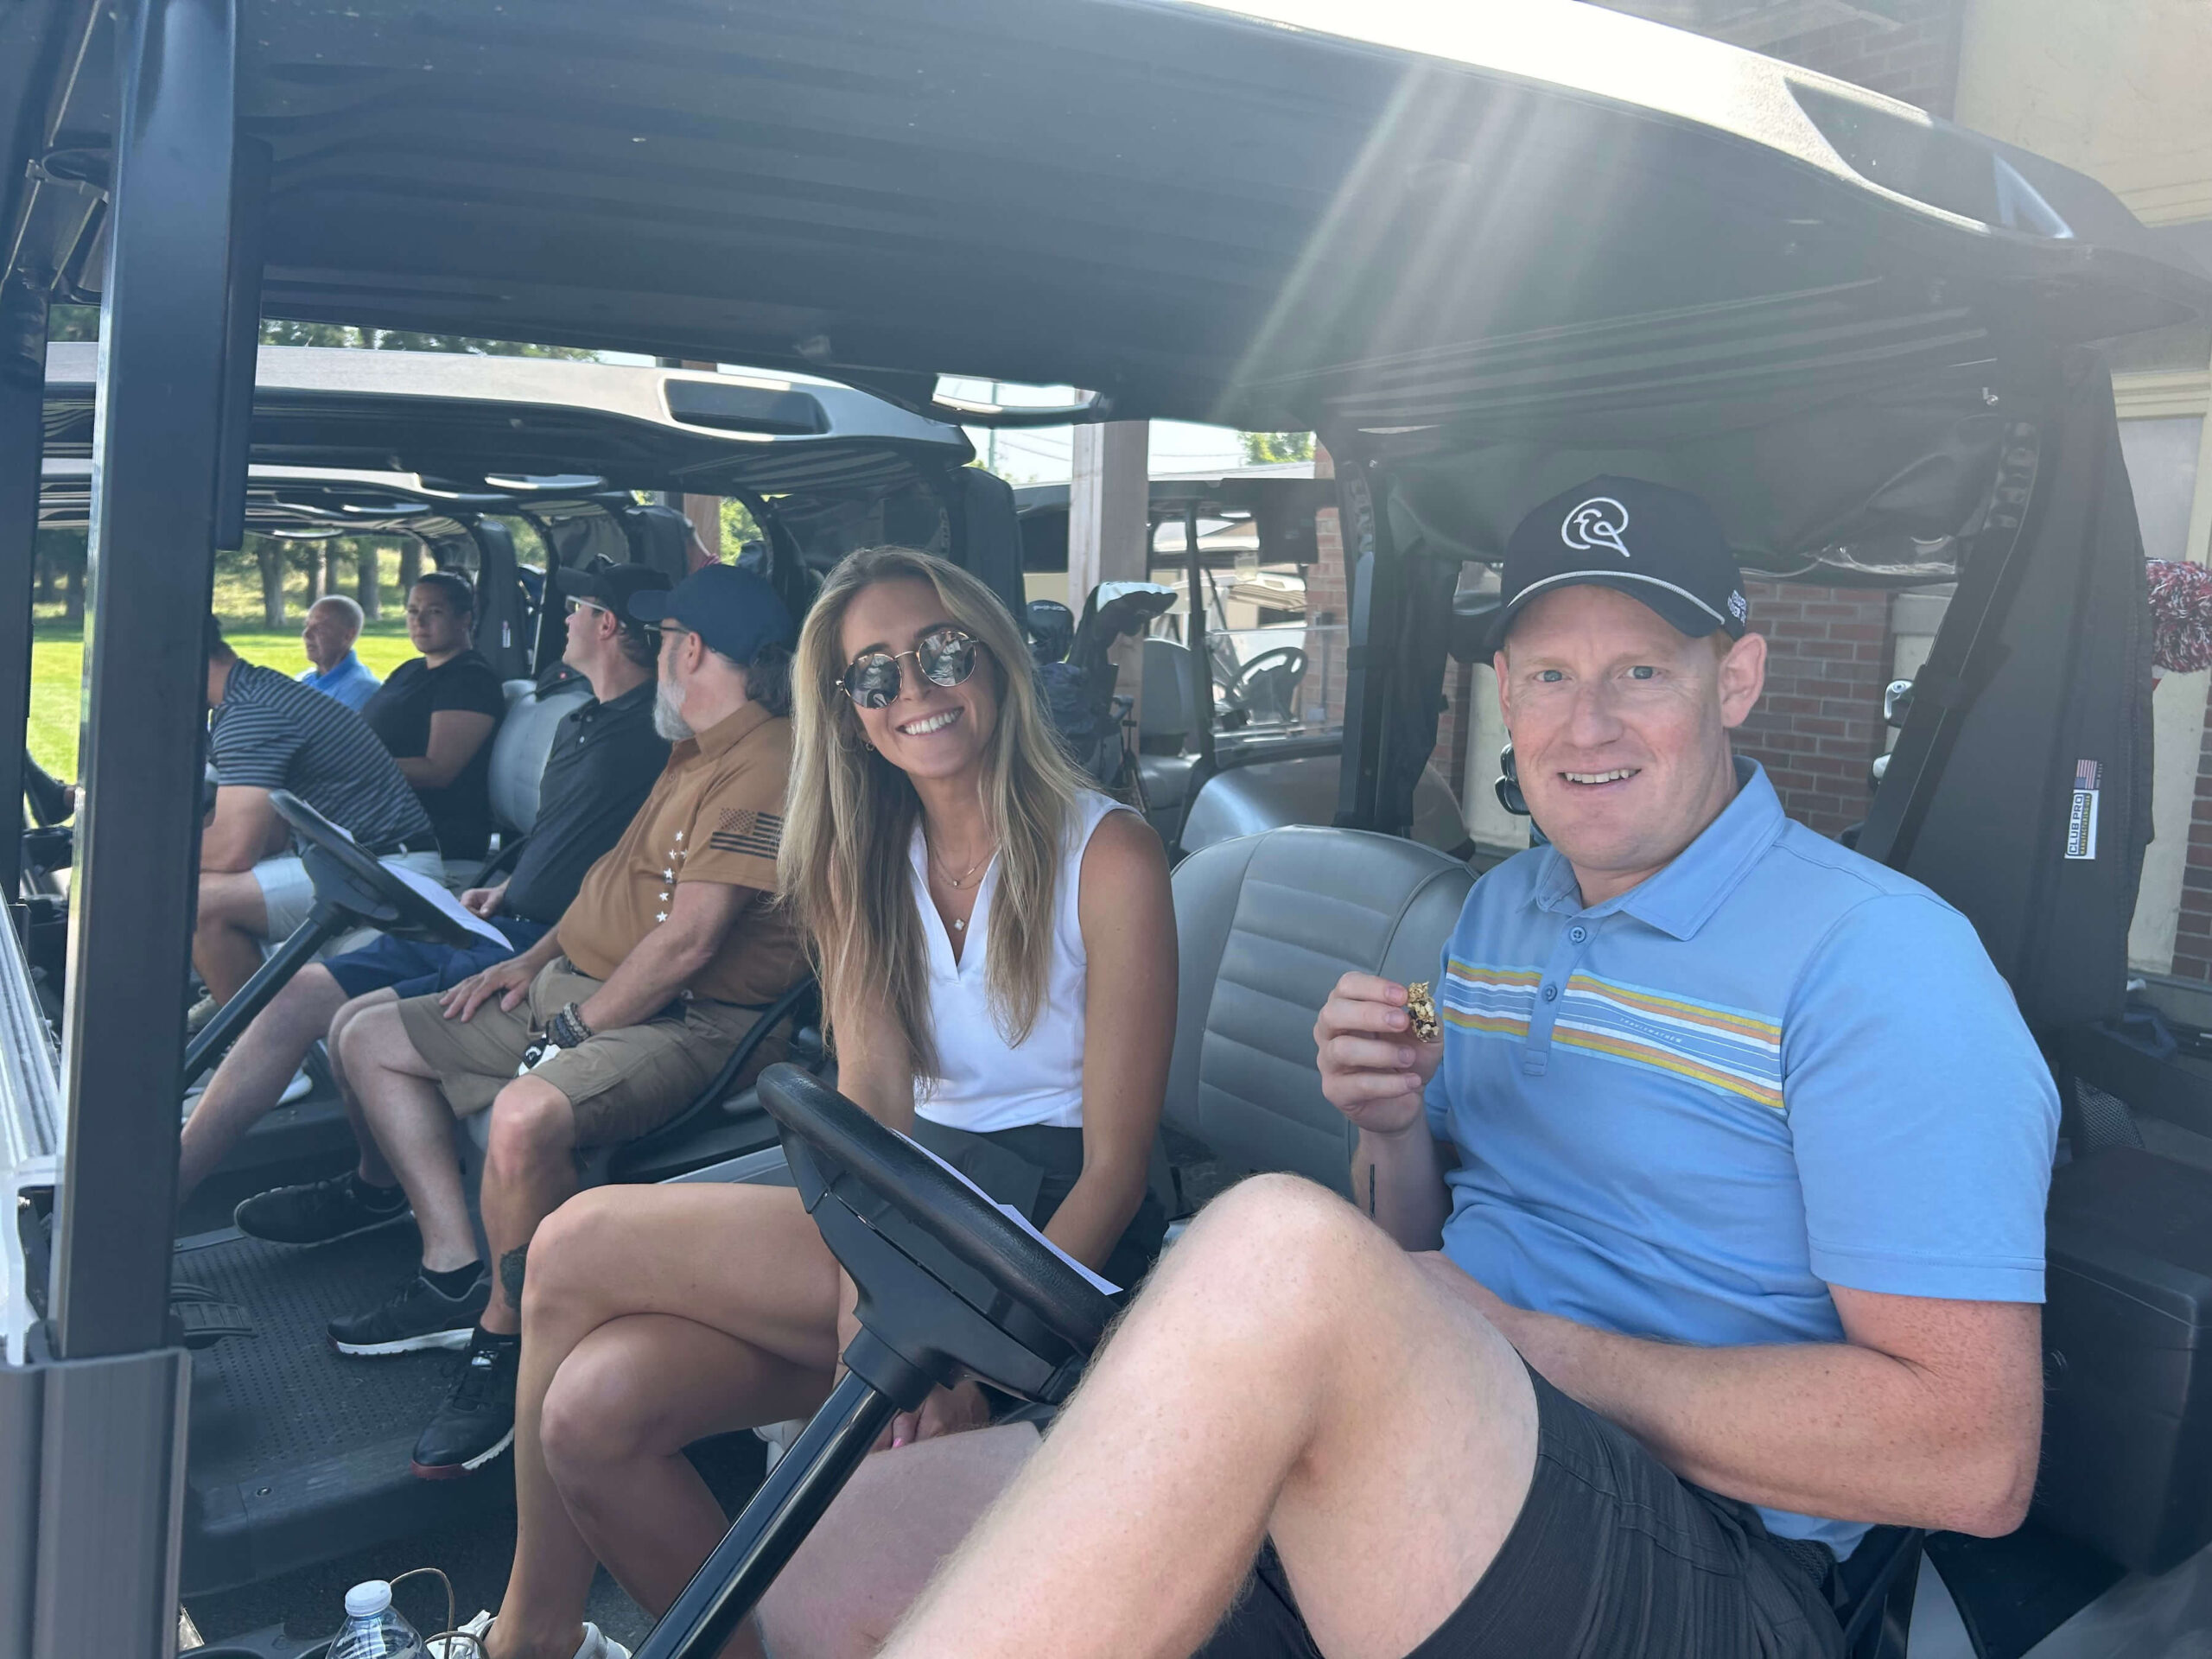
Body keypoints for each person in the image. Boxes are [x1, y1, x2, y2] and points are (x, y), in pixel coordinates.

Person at [760, 480, 2060, 1659]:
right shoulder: (1508, 914)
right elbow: (1429, 1243)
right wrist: (1389, 1134)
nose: (1585, 722)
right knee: (836, 1561)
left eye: (1642, 673)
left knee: (1271, 1238)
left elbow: (1972, 1457)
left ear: (1735, 680)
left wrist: (1522, 1346)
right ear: (1504, 689)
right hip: (1439, 1466)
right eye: (1548, 677)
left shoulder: (1883, 963)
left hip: (1712, 1562)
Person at [467, 546, 1175, 1659]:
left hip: (1046, 1240)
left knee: (570, 1243)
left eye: (942, 653)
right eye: (876, 675)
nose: (918, 692)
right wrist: (867, 1287)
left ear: (992, 658)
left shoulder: (1109, 853)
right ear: (846, 711)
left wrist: (976, 1362)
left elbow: (1115, 1169)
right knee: (592, 1412)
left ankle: (526, 1641)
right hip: (910, 1204)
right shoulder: (857, 857)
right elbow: (875, 1103)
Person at [333, 562, 812, 1480]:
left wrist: (573, 1030)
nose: (656, 655)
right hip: (590, 987)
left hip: (695, 1025)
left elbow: (689, 944)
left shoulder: (766, 761)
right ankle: (452, 1272)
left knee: (521, 1114)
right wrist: (529, 960)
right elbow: (610, 892)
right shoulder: (694, 747)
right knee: (367, 1036)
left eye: (663, 640)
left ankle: (506, 1339)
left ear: (692, 649)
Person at [179, 566, 673, 1216]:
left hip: (539, 946)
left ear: (606, 625)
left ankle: (381, 1205)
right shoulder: (585, 722)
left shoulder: (653, 738)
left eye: (575, 607)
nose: (563, 617)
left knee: (354, 1026)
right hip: (503, 917)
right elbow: (566, 844)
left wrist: (534, 941)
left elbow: (631, 872)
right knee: (298, 996)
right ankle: (176, 1188)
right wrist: (502, 887)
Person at [193, 618, 442, 1010]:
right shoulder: (250, 695)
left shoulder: (251, 713)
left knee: (198, 904)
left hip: (386, 870)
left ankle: (270, 1068)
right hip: (350, 859)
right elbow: (266, 837)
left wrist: (132, 852)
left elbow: (232, 851)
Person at [361, 569, 508, 866]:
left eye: (435, 612)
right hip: (378, 819)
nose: (419, 621)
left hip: (429, 836)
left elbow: (437, 771)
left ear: (465, 619)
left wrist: (352, 764)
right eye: (413, 611)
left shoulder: (469, 680)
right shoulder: (410, 670)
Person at [297, 593, 381, 711]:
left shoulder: (363, 691)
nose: (306, 634)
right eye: (307, 626)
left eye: (320, 628)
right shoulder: (305, 679)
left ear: (348, 635)